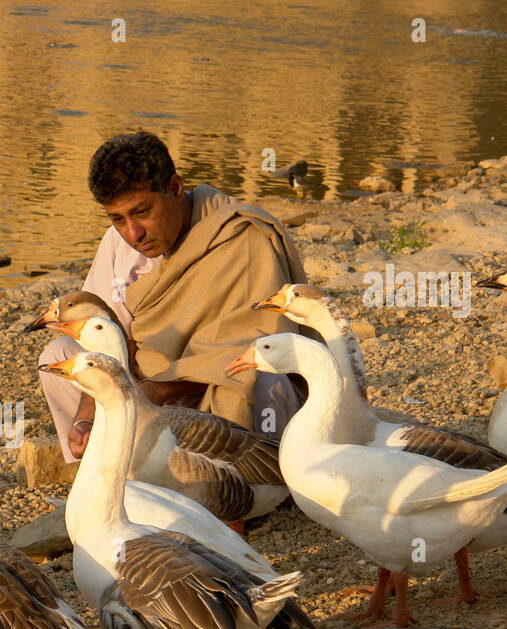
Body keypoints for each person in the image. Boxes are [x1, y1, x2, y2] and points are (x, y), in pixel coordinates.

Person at [38, 131, 307, 461]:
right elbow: (105, 336)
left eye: (142, 212)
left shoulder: (242, 237)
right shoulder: (118, 241)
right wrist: (86, 417)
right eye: (117, 219)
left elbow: (260, 346)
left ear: (176, 188)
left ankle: (246, 483)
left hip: (215, 394)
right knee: (59, 355)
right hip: (148, 393)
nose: (133, 233)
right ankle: (106, 467)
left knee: (264, 379)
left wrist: (160, 388)